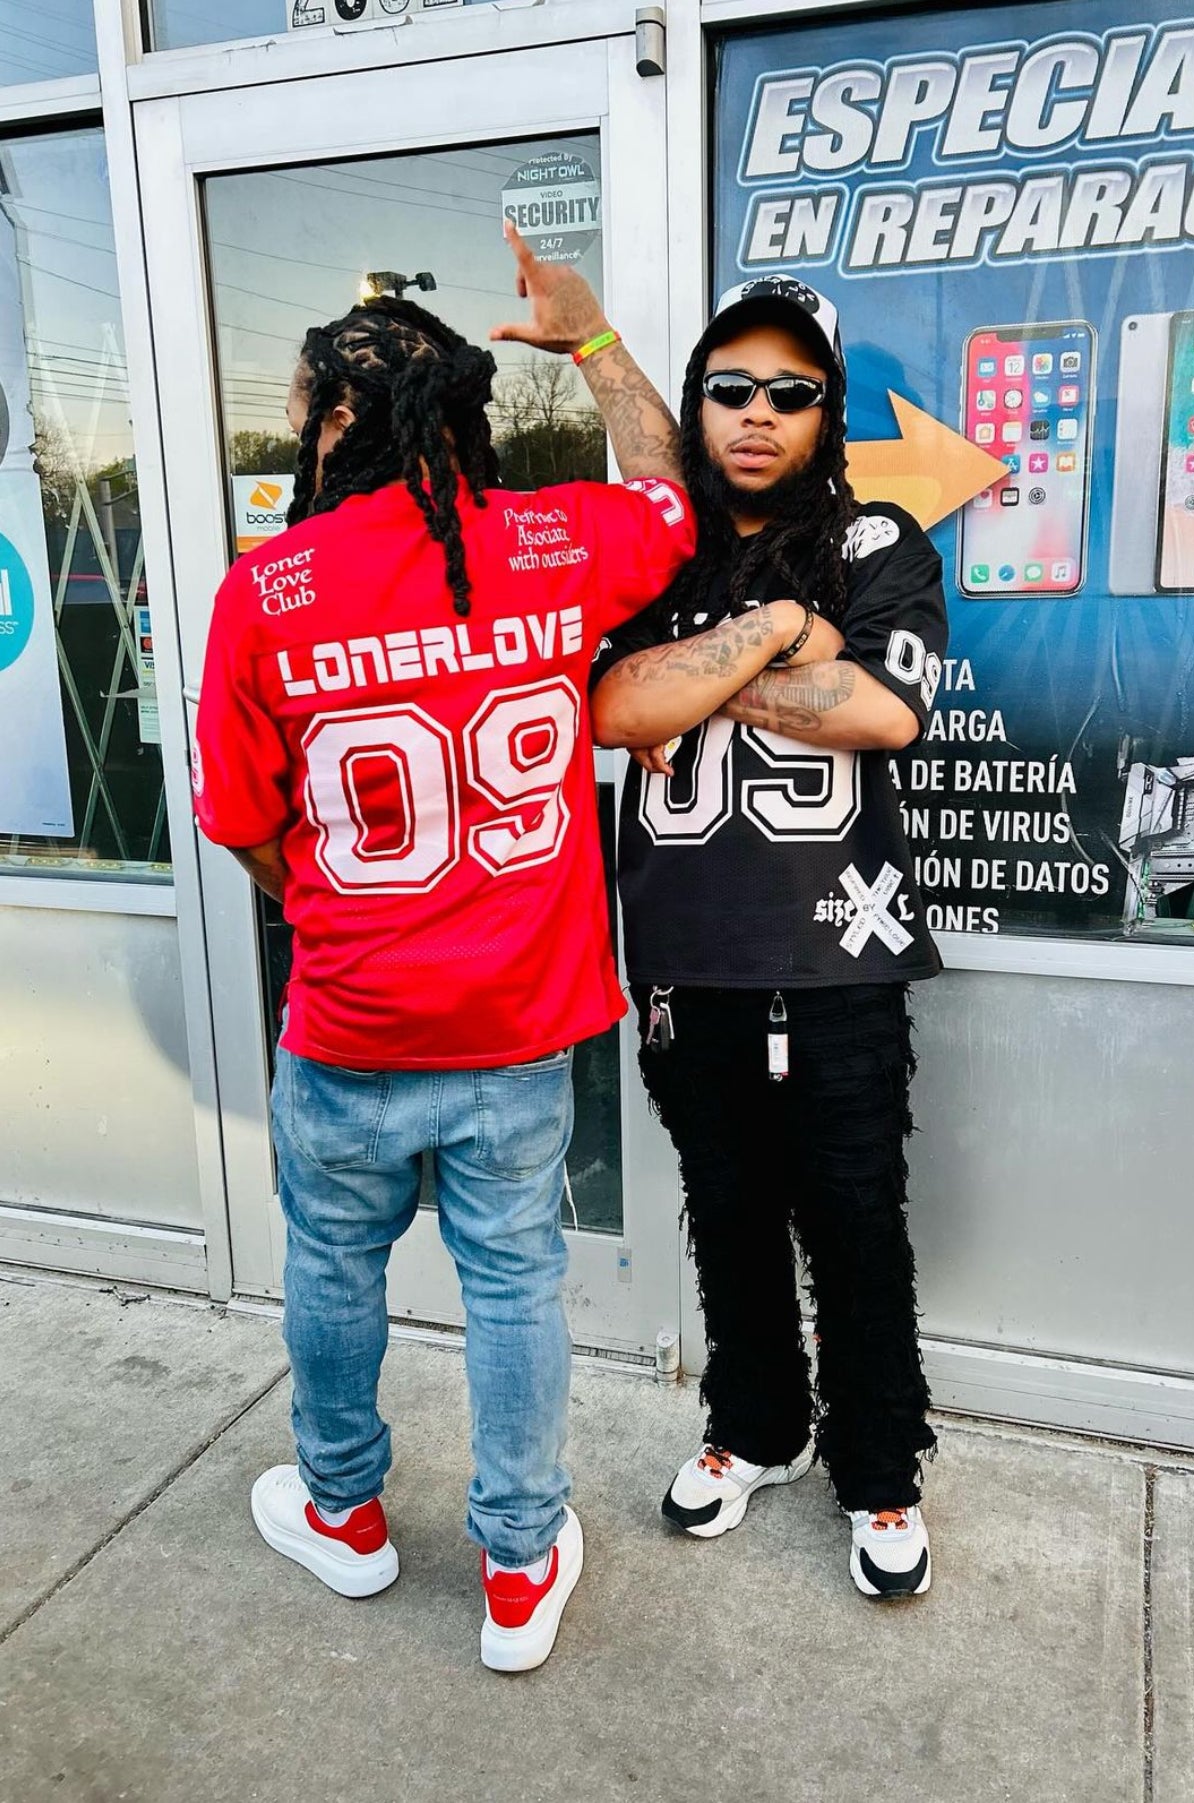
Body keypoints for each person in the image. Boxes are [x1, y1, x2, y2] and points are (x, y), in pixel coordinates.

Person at [191, 224, 694, 1671]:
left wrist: (333, 911)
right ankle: (520, 1567)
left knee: (332, 1268)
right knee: (514, 1280)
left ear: (342, 418)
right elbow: (670, 495)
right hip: (518, 1031)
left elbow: (244, 825)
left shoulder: (266, 591)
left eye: (304, 407)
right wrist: (592, 337)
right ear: (465, 414)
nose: (296, 429)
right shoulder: (557, 542)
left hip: (349, 1023)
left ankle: (344, 1514)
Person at [590, 275, 946, 1599]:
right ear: (698, 404)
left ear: (826, 411)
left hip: (841, 962)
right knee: (728, 1218)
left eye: (791, 393)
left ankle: (880, 1469)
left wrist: (702, 679)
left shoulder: (876, 539)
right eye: (730, 388)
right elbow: (613, 709)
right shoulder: (659, 548)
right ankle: (755, 1429)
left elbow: (882, 710)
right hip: (688, 962)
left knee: (857, 1226)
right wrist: (777, 634)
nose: (757, 414)